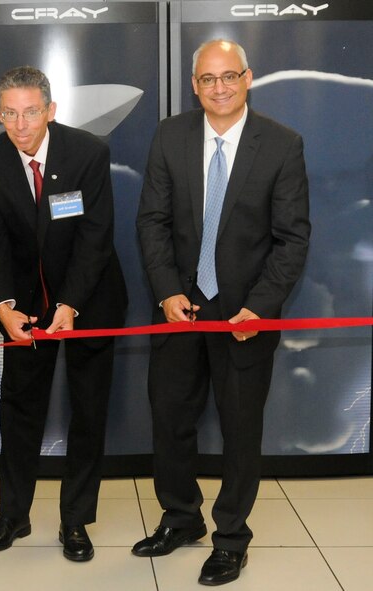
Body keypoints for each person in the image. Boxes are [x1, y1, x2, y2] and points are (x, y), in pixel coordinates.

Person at [133, 39, 310, 585]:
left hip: (244, 320)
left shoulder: (281, 144)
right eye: (208, 79)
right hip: (179, 313)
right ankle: (180, 518)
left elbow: (292, 240)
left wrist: (259, 307)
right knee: (170, 421)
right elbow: (152, 222)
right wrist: (166, 291)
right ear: (195, 86)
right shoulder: (170, 136)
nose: (220, 88)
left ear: (247, 78)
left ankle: (231, 539)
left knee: (240, 432)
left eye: (229, 76)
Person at [0, 66, 128, 561]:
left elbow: (96, 235)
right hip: (25, 307)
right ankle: (12, 515)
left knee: (88, 411)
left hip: (89, 299)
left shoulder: (88, 153)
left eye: (31, 112)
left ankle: (75, 520)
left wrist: (70, 303)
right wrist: (3, 307)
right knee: (19, 411)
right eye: (9, 114)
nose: (20, 125)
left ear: (51, 111)